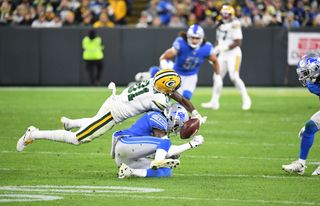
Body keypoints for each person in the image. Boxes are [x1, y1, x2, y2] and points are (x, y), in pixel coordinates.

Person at [16, 69, 207, 152]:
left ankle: (70, 123)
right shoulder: (158, 100)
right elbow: (170, 121)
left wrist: (195, 113)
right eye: (173, 87)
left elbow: (180, 99)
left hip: (114, 101)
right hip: (112, 114)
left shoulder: (153, 83)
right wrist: (187, 125)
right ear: (166, 87)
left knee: (93, 122)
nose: (175, 90)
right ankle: (34, 133)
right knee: (78, 139)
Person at [113, 104, 204, 178]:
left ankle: (131, 171)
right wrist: (192, 144)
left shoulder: (160, 118)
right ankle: (158, 161)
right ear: (173, 119)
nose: (174, 130)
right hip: (126, 143)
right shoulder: (158, 118)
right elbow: (167, 148)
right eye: (176, 126)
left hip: (127, 157)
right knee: (166, 143)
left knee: (166, 172)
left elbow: (166, 151)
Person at [201, 5, 251, 110]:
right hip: (223, 54)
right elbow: (219, 40)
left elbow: (238, 42)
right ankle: (214, 102)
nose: (225, 16)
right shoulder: (220, 24)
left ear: (231, 14)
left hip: (234, 53)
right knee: (217, 77)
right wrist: (215, 50)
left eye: (227, 14)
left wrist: (223, 47)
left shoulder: (235, 23)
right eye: (224, 14)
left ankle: (246, 99)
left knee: (234, 77)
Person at [159, 24, 221, 100]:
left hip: (191, 76)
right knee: (166, 97)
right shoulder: (181, 43)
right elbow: (164, 57)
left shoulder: (206, 47)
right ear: (188, 37)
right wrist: (165, 66)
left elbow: (215, 61)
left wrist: (218, 75)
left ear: (201, 38)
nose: (194, 41)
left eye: (197, 38)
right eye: (192, 38)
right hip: (176, 73)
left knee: (186, 98)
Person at [282, 52, 320, 176]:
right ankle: (301, 164)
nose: (304, 77)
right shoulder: (312, 85)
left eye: (306, 73)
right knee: (309, 127)